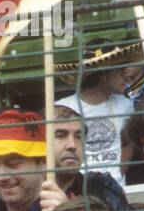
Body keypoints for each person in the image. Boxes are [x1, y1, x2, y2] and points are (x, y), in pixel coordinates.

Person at [55, 41, 136, 187]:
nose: (126, 75)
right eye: (120, 70)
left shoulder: (126, 105)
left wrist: (115, 178)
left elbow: (126, 145)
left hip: (114, 193)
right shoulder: (62, 108)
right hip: (79, 191)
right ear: (104, 73)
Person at [38, 105, 129, 211]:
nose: (72, 145)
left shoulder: (102, 190)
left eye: (79, 137)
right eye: (60, 135)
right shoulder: (23, 193)